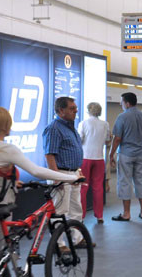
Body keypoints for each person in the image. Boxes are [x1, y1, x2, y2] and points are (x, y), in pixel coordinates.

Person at [0, 107, 82, 276]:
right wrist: (71, 178)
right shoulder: (7, 149)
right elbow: (37, 171)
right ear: (4, 125)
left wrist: (11, 181)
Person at [43, 97, 90, 248]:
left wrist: (78, 171)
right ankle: (59, 244)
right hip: (61, 174)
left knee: (76, 208)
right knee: (60, 210)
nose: (76, 110)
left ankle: (77, 239)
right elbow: (50, 155)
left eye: (75, 107)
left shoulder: (70, 127)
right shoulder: (54, 128)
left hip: (73, 174)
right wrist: (57, 178)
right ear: (61, 111)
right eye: (71, 108)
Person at [109, 92, 142, 221]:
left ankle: (126, 213)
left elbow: (117, 138)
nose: (120, 104)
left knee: (125, 182)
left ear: (127, 103)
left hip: (126, 154)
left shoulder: (122, 117)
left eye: (121, 102)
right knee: (141, 182)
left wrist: (111, 155)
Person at [78, 102, 111, 224]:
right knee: (98, 188)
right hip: (99, 158)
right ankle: (100, 215)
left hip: (85, 158)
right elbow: (108, 140)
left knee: (83, 187)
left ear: (88, 111)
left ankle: (81, 216)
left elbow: (80, 139)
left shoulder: (83, 123)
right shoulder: (105, 124)